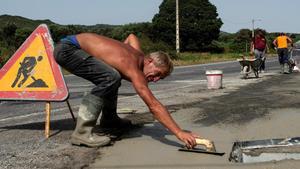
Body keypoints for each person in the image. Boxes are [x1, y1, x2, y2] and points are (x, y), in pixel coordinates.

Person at [53, 33, 198, 148]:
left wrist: (115, 52)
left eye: (161, 78)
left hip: (70, 46)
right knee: (111, 77)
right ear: (150, 61)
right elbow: (153, 105)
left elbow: (131, 36)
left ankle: (109, 121)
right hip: (67, 50)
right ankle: (81, 133)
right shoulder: (133, 67)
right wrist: (178, 132)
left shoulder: (138, 54)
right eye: (158, 74)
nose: (155, 80)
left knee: (112, 75)